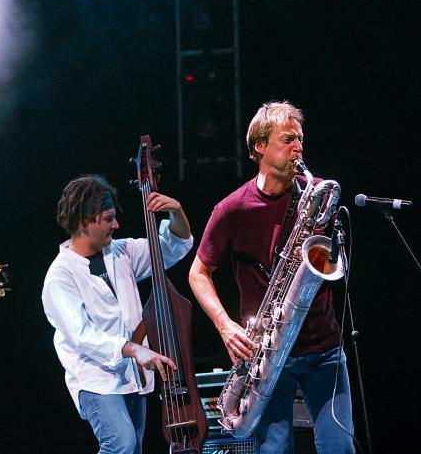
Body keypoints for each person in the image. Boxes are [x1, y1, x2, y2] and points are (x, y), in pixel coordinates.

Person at [188, 101, 355, 453]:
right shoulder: (233, 208)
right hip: (268, 355)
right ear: (260, 146)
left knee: (340, 447)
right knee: (273, 450)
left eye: (300, 139)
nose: (298, 147)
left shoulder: (317, 195)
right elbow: (198, 273)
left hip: (324, 346)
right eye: (288, 139)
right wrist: (224, 325)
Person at [42, 174, 193, 454]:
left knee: (132, 449)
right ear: (85, 221)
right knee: (121, 444)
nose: (116, 225)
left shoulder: (121, 252)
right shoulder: (60, 276)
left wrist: (177, 212)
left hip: (133, 375)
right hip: (96, 379)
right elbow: (82, 336)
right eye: (108, 219)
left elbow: (172, 247)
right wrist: (135, 349)